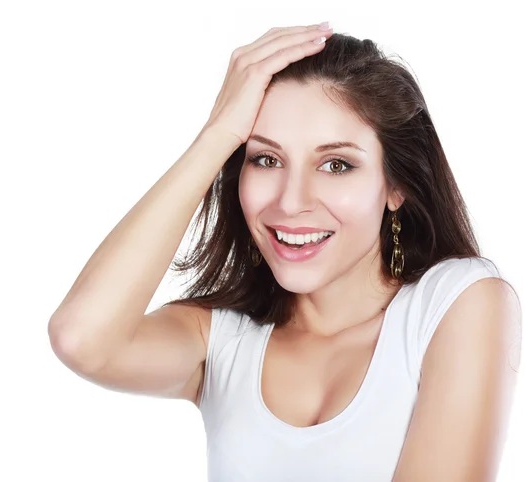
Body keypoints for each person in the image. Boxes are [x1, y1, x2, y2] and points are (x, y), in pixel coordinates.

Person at [48, 22, 521, 481]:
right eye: (266, 159)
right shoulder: (222, 341)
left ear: (395, 185)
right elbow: (81, 338)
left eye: (336, 165)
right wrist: (217, 133)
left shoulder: (455, 305)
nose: (291, 202)